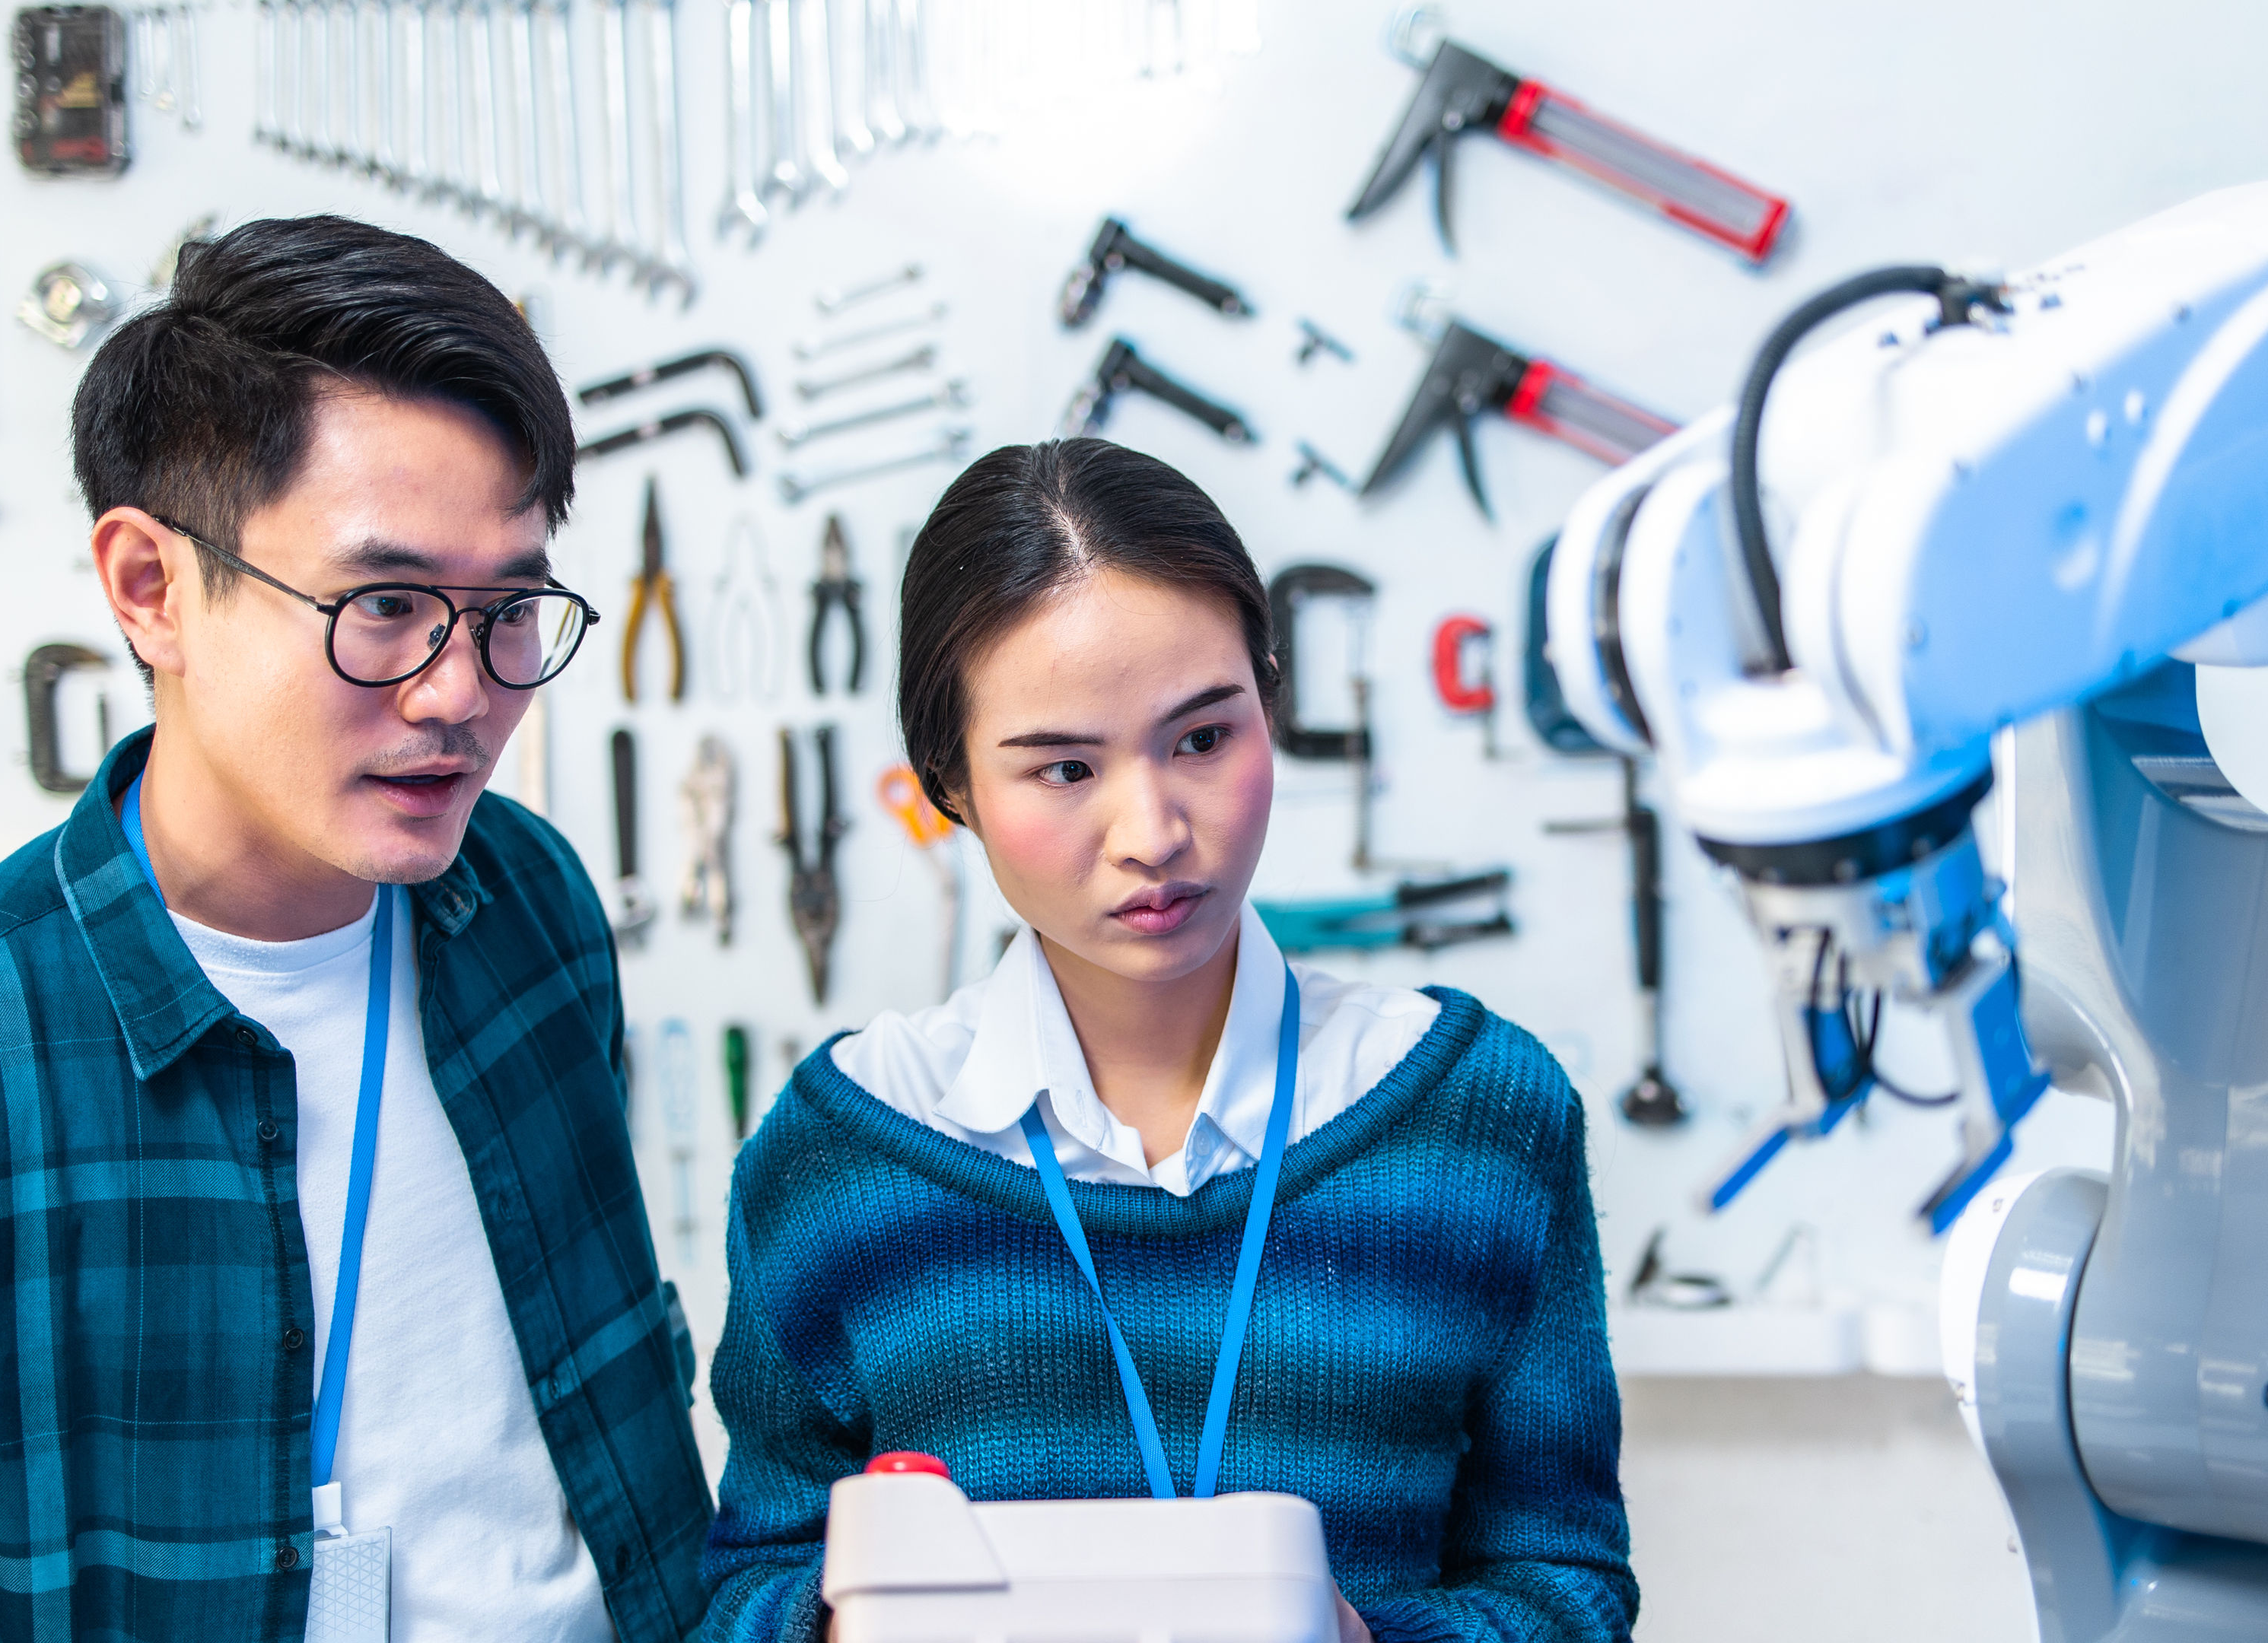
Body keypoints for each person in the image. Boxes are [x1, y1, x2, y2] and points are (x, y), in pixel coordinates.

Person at [0, 217, 710, 1639]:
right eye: (387, 604)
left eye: (513, 606)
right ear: (150, 587)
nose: (461, 693)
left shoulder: (530, 901)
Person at [699, 439, 1636, 1642]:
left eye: (1202, 739)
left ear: (1271, 706)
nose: (1152, 831)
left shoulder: (1477, 1117)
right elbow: (745, 1589)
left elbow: (1568, 1587)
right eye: (1067, 768)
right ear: (951, 789)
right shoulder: (842, 1154)